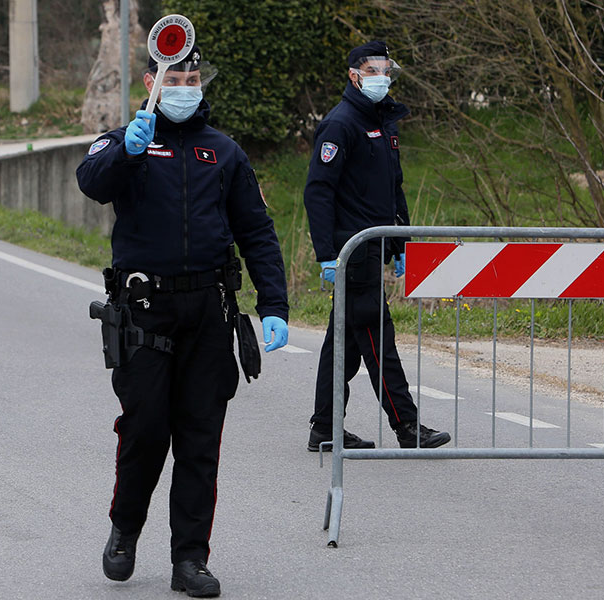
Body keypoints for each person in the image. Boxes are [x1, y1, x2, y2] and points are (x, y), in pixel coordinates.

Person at [76, 44, 289, 598]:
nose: (186, 87)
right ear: (152, 82)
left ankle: (190, 559)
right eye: (176, 78)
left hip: (209, 311)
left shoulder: (224, 152)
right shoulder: (127, 140)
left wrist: (275, 304)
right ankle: (125, 530)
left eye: (194, 78)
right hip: (145, 309)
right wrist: (126, 149)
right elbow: (92, 181)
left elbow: (257, 231)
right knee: (146, 430)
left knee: (200, 439)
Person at [303, 41, 451, 452]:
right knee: (376, 338)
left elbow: (394, 188)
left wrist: (402, 242)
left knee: (344, 346)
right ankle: (407, 426)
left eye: (386, 70)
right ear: (354, 76)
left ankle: (324, 427)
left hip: (375, 246)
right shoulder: (340, 124)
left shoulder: (384, 122)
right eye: (373, 71)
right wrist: (326, 255)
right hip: (353, 252)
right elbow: (318, 192)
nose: (381, 78)